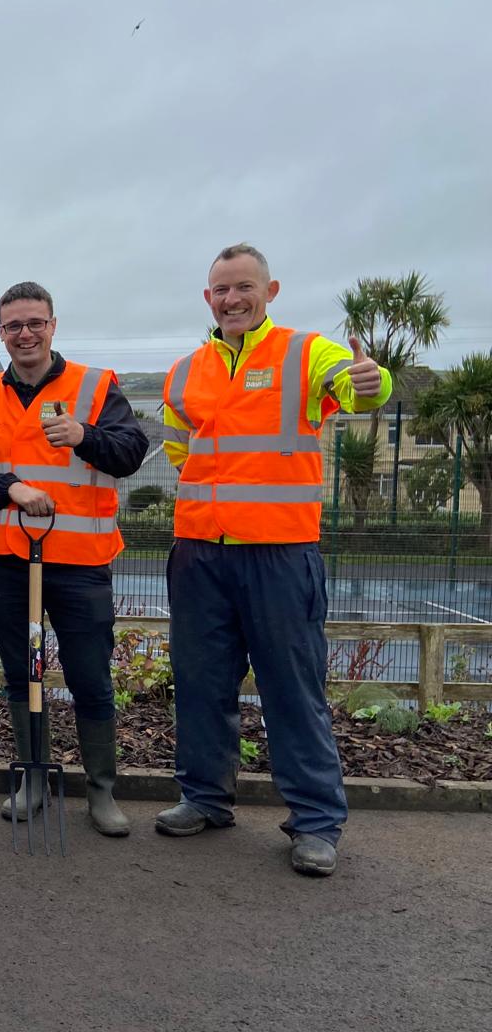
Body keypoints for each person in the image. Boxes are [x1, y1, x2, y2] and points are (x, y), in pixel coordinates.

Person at [157, 243, 390, 877]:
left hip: (280, 553)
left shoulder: (308, 352)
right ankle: (204, 798)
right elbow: (180, 447)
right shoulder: (185, 372)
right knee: (202, 685)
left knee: (292, 690)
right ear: (208, 299)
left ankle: (315, 823)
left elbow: (357, 387)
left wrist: (371, 384)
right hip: (200, 552)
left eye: (244, 287)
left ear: (271, 290)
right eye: (221, 290)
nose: (232, 299)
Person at [0, 281, 149, 835]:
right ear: (2, 333)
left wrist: (83, 434)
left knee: (90, 678)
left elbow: (130, 453)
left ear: (53, 325)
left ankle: (101, 792)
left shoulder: (95, 386)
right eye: (13, 325)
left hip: (80, 563)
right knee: (23, 676)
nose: (25, 334)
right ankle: (32, 777)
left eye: (35, 322)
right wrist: (8, 487)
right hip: (10, 560)